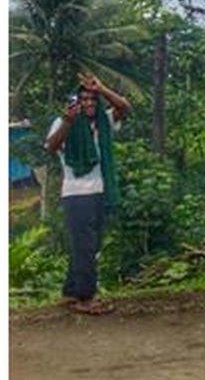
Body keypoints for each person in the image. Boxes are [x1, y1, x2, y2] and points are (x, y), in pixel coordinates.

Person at [45, 73, 130, 316]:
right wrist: (67, 122)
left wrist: (102, 88)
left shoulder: (104, 121)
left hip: (100, 192)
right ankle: (86, 297)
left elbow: (124, 107)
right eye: (84, 99)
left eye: (93, 99)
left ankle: (72, 290)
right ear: (76, 103)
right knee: (85, 246)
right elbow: (51, 146)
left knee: (90, 246)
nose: (89, 103)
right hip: (76, 194)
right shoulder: (63, 122)